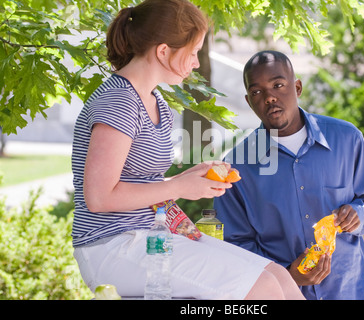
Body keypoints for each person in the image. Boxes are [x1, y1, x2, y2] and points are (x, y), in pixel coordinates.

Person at [71, 1, 304, 300]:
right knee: (263, 290)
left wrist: (190, 177)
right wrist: (180, 186)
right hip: (111, 247)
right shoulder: (119, 102)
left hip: (148, 237)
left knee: (278, 276)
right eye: (192, 53)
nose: (196, 63)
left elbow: (141, 185)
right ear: (163, 51)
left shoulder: (157, 105)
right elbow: (100, 197)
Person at [214, 50, 364, 300]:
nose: (269, 98)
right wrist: (288, 275)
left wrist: (359, 214)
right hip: (284, 294)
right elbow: (236, 244)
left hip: (352, 290)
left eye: (278, 85)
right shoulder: (236, 166)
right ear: (248, 100)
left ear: (297, 87)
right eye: (257, 92)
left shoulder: (346, 138)